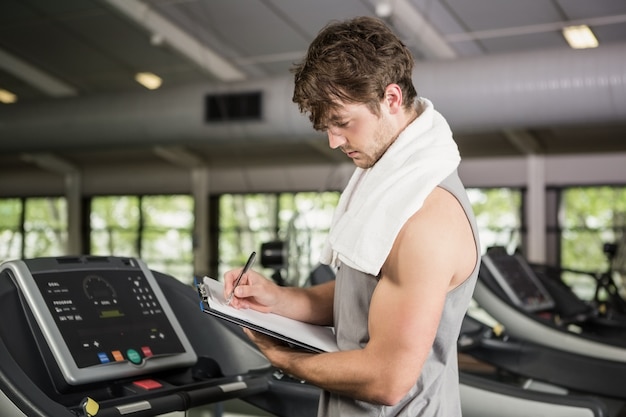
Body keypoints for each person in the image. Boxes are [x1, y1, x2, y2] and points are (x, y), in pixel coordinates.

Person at [224, 16, 480, 417]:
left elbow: (387, 378)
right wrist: (277, 298)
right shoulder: (387, 186)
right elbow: (364, 289)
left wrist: (282, 358)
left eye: (342, 123)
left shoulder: (426, 217)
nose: (333, 141)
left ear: (391, 99)